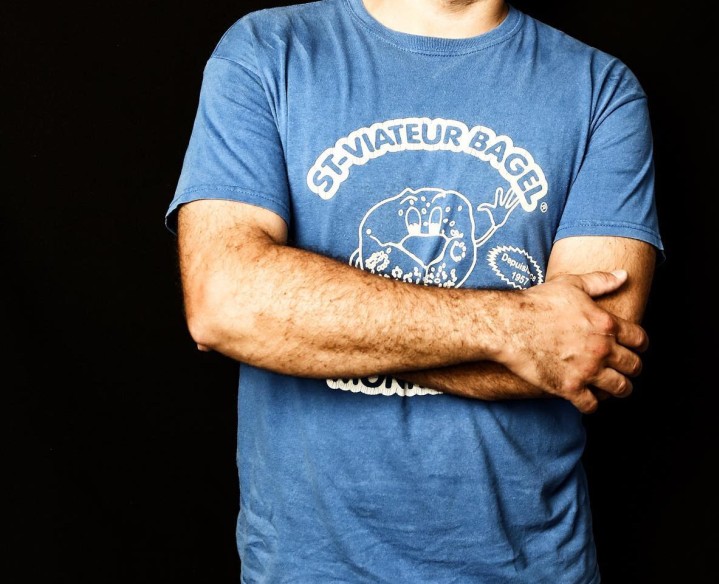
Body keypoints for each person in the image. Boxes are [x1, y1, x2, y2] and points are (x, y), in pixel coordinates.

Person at [165, 0, 664, 581]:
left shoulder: (600, 89)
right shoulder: (268, 51)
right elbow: (224, 301)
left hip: (527, 567)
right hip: (309, 567)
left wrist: (307, 327)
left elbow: (587, 349)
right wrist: (516, 326)